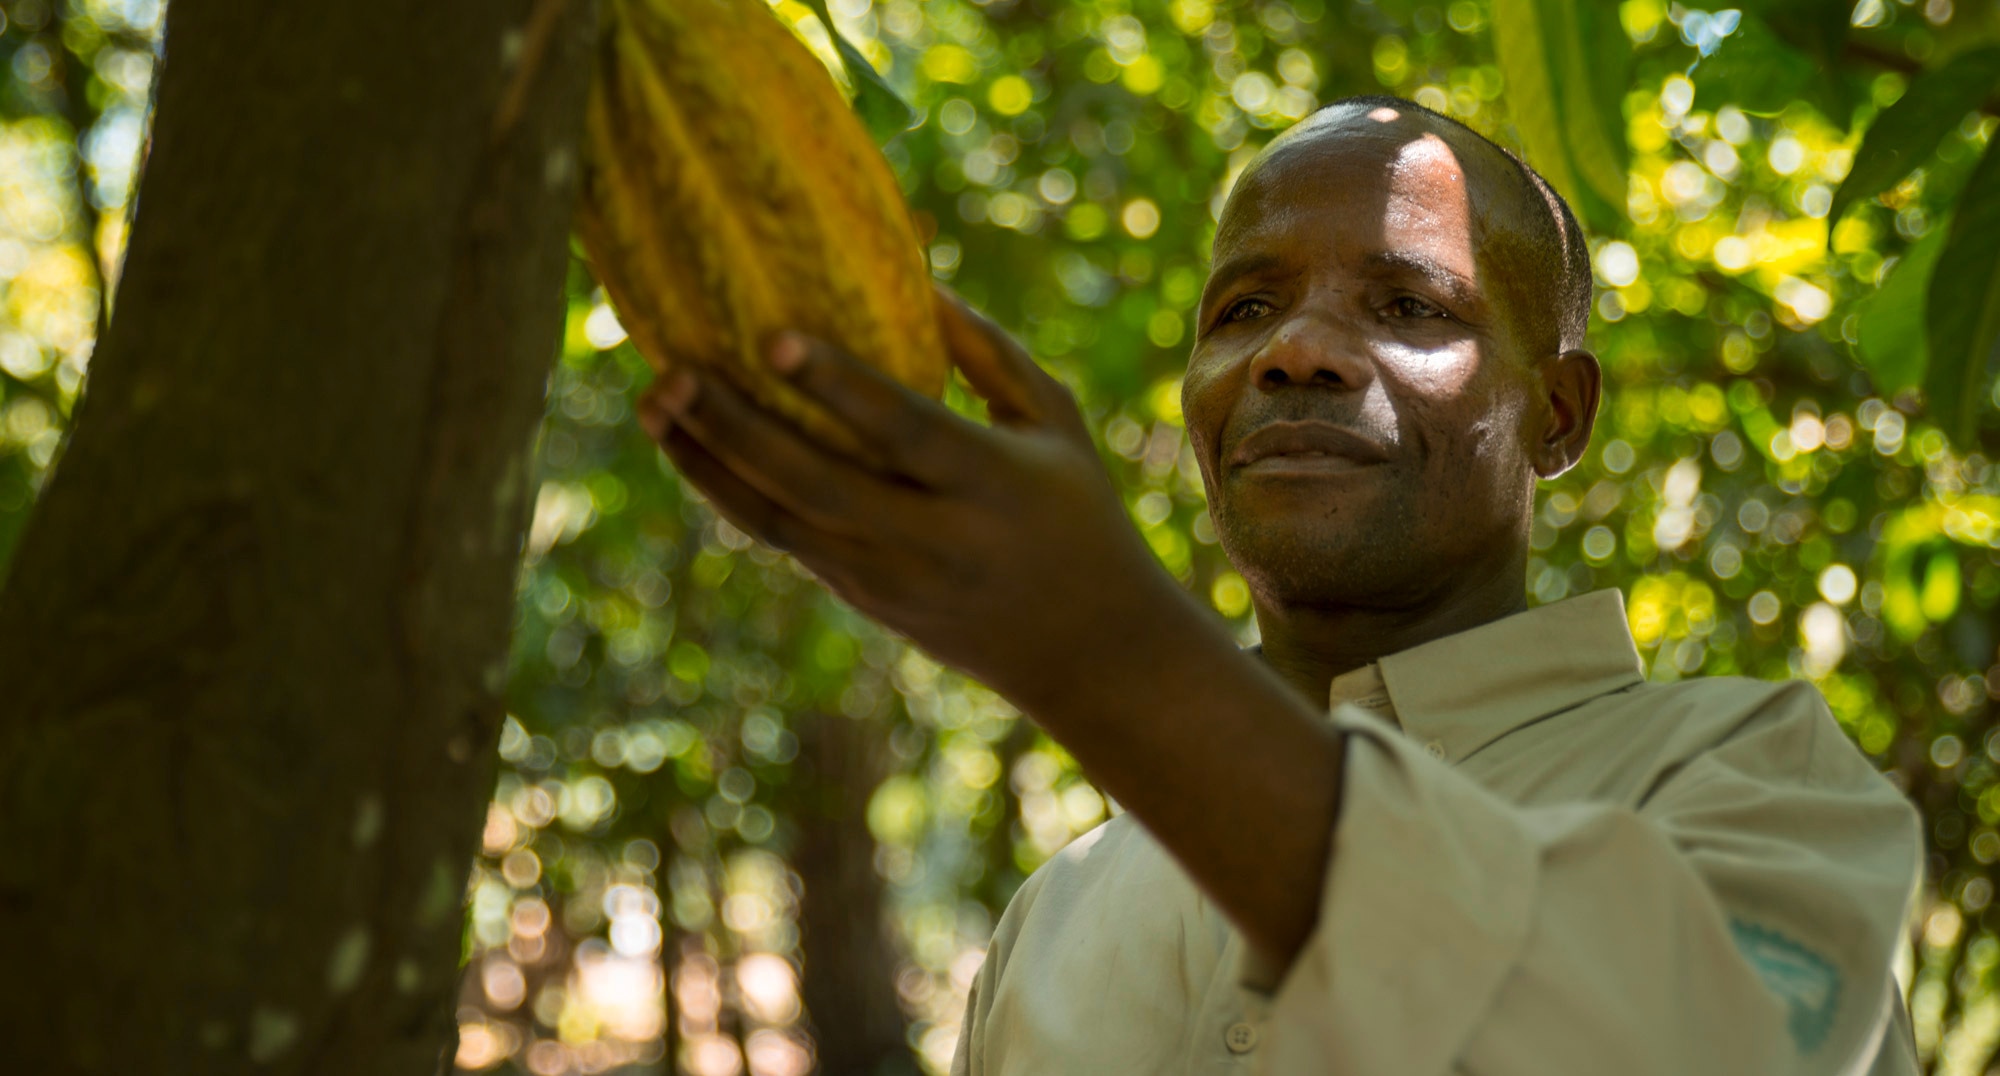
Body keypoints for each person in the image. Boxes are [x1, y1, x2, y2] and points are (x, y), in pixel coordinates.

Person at [635, 94, 1924, 1075]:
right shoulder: (1065, 905)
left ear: (1559, 416)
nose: (1298, 351)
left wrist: (1102, 652)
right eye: (1243, 310)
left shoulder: (1754, 783)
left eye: (1412, 310)